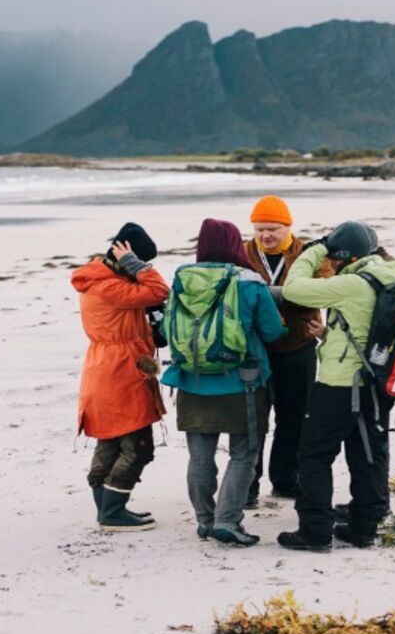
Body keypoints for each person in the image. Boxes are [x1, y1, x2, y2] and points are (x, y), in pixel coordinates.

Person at [277, 221, 395, 552]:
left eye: (333, 257)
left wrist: (314, 249)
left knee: (313, 454)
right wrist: (329, 336)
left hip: (340, 384)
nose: (330, 264)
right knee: (368, 452)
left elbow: (294, 288)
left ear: (344, 256)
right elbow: (366, 327)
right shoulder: (392, 276)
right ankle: (365, 526)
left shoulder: (353, 283)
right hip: (377, 381)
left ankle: (315, 531)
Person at [161, 218, 285, 546]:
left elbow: (164, 332)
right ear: (234, 244)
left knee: (200, 456)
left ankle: (204, 520)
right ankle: (227, 521)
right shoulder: (249, 283)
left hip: (191, 381)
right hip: (243, 382)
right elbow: (273, 331)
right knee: (244, 453)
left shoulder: (182, 280)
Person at [71, 222, 169, 532]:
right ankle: (112, 511)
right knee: (138, 445)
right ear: (126, 257)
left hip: (107, 366)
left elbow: (145, 303)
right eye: (142, 261)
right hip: (119, 370)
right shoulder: (109, 285)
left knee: (111, 439)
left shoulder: (101, 279)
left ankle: (108, 507)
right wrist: (136, 266)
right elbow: (159, 289)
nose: (145, 268)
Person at [242, 195, 323, 504]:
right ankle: (248, 484)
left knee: (294, 416)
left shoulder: (308, 253)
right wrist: (288, 295)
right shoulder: (244, 252)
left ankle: (286, 480)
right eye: (260, 229)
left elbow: (318, 293)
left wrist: (265, 295)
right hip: (255, 349)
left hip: (298, 345)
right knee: (253, 420)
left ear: (288, 227)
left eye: (273, 229)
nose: (265, 236)